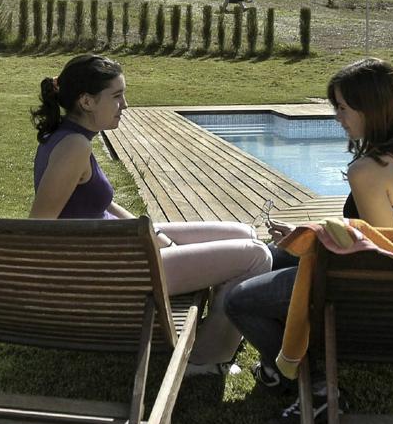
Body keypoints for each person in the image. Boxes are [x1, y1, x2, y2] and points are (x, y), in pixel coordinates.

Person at [225, 58, 393, 422]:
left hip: (373, 291)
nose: (337, 116)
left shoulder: (368, 170)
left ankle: (320, 387)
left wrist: (317, 246)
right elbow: (372, 231)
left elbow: (382, 253)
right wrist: (311, 234)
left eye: (342, 107)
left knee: (239, 300)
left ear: (369, 108)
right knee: (269, 256)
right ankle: (279, 365)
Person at [31, 53, 272, 375]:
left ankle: (216, 329)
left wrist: (149, 232)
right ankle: (205, 357)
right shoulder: (74, 147)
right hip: (111, 272)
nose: (125, 105)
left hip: (121, 252)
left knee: (245, 234)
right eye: (116, 96)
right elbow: (39, 228)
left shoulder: (69, 137)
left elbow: (95, 205)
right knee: (256, 257)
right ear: (87, 101)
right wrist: (142, 242)